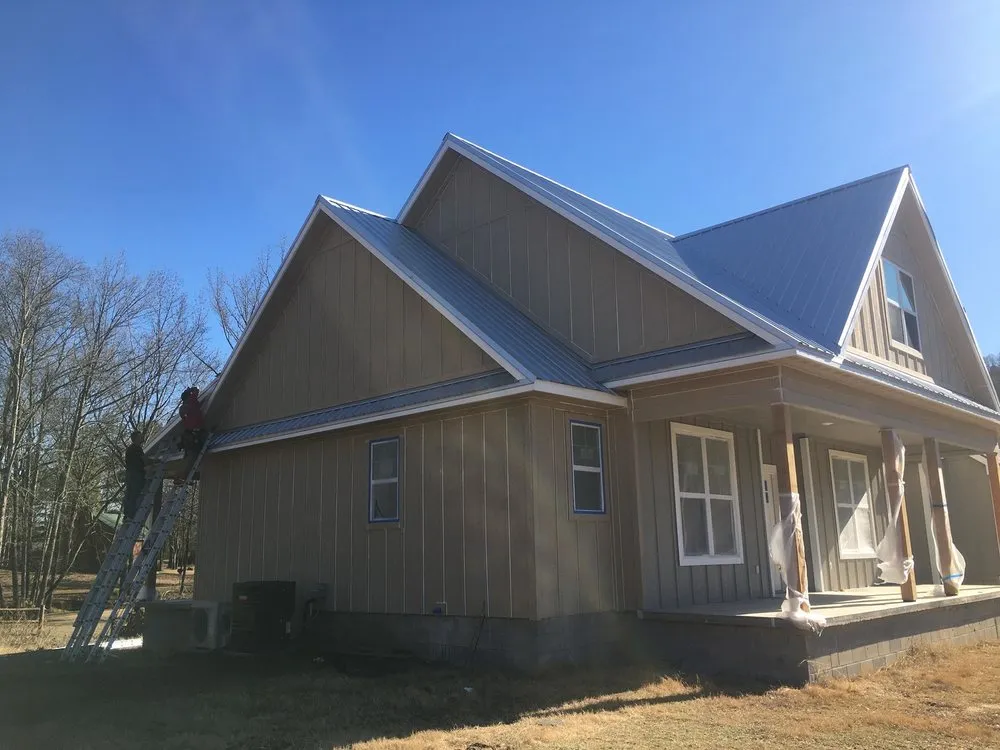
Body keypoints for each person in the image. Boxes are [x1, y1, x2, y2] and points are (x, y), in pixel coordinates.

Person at [178, 386, 206, 475]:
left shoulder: (184, 407)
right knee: (192, 455)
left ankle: (181, 475)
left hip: (188, 435)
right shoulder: (191, 403)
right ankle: (183, 475)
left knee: (188, 456)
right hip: (193, 435)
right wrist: (191, 390)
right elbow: (196, 390)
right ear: (188, 397)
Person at [123, 431, 147, 522]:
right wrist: (156, 461)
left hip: (130, 474)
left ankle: (127, 515)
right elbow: (144, 460)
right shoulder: (137, 449)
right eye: (140, 436)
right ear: (136, 438)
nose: (142, 437)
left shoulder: (130, 449)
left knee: (129, 494)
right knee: (134, 494)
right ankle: (131, 515)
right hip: (136, 474)